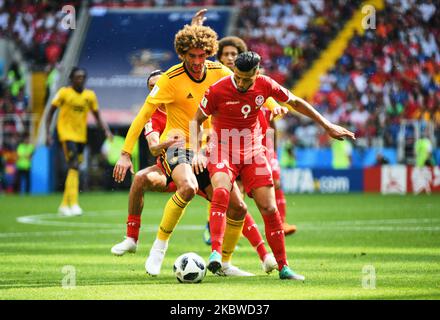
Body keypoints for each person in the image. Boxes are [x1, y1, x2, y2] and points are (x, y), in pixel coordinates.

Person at [112, 24, 269, 277]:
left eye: (202, 55)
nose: (197, 61)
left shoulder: (219, 70)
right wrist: (125, 153)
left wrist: (273, 101)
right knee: (188, 187)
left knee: (238, 208)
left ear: (208, 52)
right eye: (191, 56)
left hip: (211, 148)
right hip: (178, 146)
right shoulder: (169, 79)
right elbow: (143, 116)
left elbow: (250, 83)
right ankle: (159, 248)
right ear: (182, 54)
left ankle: (225, 264)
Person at [193, 52, 355, 280]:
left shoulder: (265, 84)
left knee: (269, 208)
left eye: (246, 79)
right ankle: (215, 255)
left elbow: (296, 102)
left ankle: (284, 267)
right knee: (220, 189)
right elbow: (196, 119)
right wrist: (198, 150)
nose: (240, 83)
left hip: (253, 152)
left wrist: (327, 125)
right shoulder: (218, 89)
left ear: (257, 73)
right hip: (223, 149)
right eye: (237, 77)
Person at [46, 67, 113, 216]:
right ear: (71, 79)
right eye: (77, 77)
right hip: (66, 134)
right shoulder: (64, 93)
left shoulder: (89, 96)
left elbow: (97, 115)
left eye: (82, 77)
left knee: (74, 168)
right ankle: (74, 203)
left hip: (81, 136)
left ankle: (64, 204)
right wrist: (48, 134)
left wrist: (106, 130)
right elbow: (50, 112)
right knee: (74, 165)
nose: (80, 79)